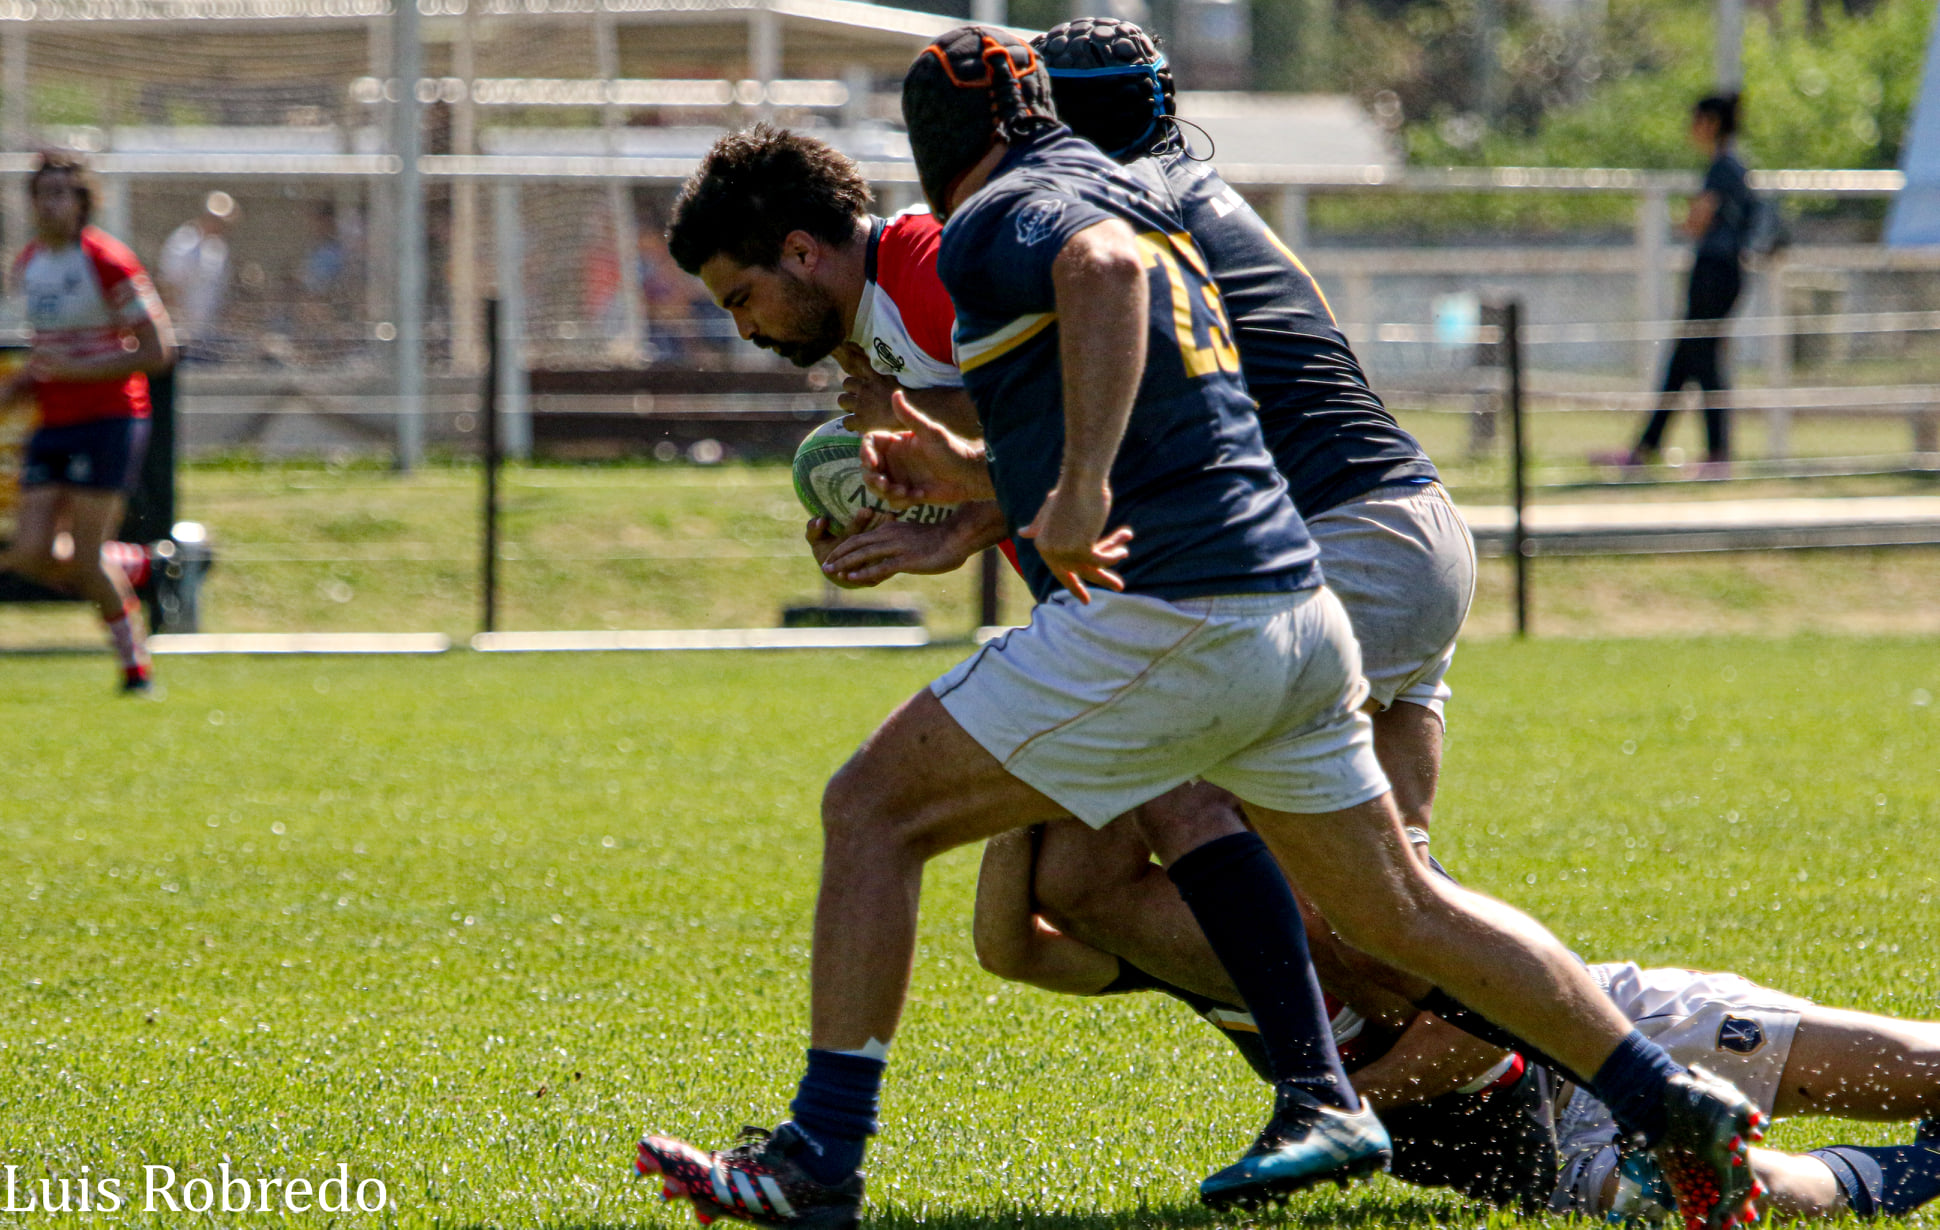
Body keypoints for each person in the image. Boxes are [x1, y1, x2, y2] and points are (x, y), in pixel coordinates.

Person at [635, 27, 1762, 1230]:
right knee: (1390, 909)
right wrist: (972, 493)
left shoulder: (995, 218)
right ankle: (1655, 1092)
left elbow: (1104, 280)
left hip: (1203, 602)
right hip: (1288, 602)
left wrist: (1062, 499)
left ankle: (821, 1158)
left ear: (928, 152)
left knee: (877, 812)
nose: (749, 320)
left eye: (743, 293)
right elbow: (1158, 393)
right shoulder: (1129, 193)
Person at [975, 816, 1940, 1222]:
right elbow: (1015, 947)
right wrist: (1015, 805)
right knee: (1719, 1192)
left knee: (1918, 1067)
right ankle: (1918, 1170)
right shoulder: (1209, 965)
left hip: (1596, 1018)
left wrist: (1336, 1112)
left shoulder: (1367, 891)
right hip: (1550, 1151)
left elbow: (1480, 1029)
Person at [0, 152, 176, 692]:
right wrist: (22, 385)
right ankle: (138, 564)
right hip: (54, 423)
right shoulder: (28, 263)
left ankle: (135, 667)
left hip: (110, 419)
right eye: (43, 193)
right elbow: (47, 354)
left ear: (82, 202)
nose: (52, 203)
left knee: (83, 559)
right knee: (28, 555)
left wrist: (82, 370)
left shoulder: (107, 260)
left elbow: (158, 349)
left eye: (63, 193)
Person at [1624, 94, 1757, 472]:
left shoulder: (1722, 167)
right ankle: (1647, 448)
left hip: (1715, 271)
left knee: (1702, 359)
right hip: (1724, 271)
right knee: (1683, 361)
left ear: (1710, 122)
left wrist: (1685, 221)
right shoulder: (1732, 166)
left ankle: (1718, 454)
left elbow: (1698, 220)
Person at [157, 190, 234, 361]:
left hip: (207, 330)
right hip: (183, 328)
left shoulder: (217, 247)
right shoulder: (183, 242)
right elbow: (169, 283)